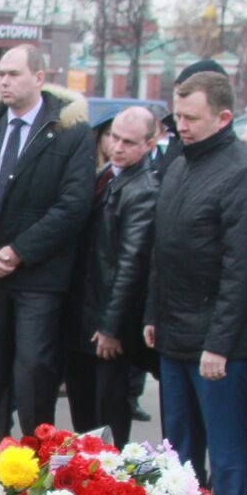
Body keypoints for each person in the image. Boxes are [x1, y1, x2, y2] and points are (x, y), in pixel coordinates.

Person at [0, 43, 96, 446]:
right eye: (1, 75)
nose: (5, 82)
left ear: (40, 77)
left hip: (38, 277)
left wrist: (18, 252)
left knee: (33, 372)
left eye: (14, 74)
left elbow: (73, 205)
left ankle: (36, 464)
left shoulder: (71, 131)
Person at [145, 70, 247, 495]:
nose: (181, 126)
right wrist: (151, 312)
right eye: (178, 116)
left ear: (223, 117)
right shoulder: (180, 163)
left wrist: (219, 344)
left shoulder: (245, 174)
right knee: (178, 445)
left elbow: (243, 270)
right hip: (175, 329)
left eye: (192, 118)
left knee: (226, 445)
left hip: (222, 343)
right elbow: (164, 247)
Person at [63, 106, 159, 446]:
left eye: (128, 142)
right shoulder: (108, 174)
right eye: (112, 137)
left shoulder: (143, 189)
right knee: (83, 411)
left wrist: (111, 327)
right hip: (83, 313)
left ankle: (109, 488)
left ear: (150, 143)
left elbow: (131, 265)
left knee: (107, 417)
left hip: (109, 322)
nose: (117, 146)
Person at [155, 59, 227, 179]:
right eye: (176, 91)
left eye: (184, 92)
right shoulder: (178, 137)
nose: (177, 97)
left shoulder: (232, 162)